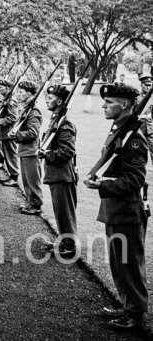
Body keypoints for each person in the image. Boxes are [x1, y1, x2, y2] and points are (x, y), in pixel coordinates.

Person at [84, 83, 148, 330]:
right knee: (118, 263)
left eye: (109, 102)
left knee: (129, 265)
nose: (103, 105)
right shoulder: (120, 130)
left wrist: (102, 185)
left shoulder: (134, 140)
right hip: (114, 209)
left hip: (127, 212)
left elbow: (135, 180)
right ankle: (127, 306)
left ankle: (135, 314)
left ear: (124, 105)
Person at [37, 85, 78, 256]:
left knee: (65, 213)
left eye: (51, 97)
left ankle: (69, 247)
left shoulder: (65, 124)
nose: (47, 99)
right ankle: (64, 240)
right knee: (59, 212)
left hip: (63, 175)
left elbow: (67, 152)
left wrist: (46, 154)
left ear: (60, 101)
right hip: (56, 174)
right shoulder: (57, 120)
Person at [8, 81, 43, 214]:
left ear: (28, 94)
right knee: (27, 179)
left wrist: (17, 134)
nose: (18, 94)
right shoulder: (28, 108)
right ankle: (30, 202)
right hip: (25, 149)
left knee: (33, 180)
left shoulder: (34, 111)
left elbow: (33, 133)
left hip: (31, 150)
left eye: (21, 92)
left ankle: (36, 205)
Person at [0, 80, 19, 187]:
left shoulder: (11, 101)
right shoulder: (6, 100)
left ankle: (14, 177)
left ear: (8, 88)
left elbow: (13, 118)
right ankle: (11, 175)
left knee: (11, 155)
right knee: (8, 154)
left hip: (9, 132)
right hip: (5, 132)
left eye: (2, 88)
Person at [138, 74, 153, 166]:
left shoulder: (152, 98)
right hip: (139, 128)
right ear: (141, 85)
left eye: (150, 85)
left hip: (150, 127)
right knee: (138, 150)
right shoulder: (136, 97)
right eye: (146, 85)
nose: (148, 87)